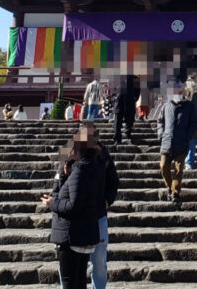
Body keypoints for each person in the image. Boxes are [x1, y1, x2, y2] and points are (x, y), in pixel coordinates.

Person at [42, 135, 102, 289]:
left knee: (70, 282)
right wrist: (65, 173)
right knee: (79, 281)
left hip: (72, 235)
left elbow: (73, 205)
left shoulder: (80, 171)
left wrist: (51, 202)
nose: (68, 152)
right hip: (81, 234)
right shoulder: (89, 167)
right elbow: (70, 192)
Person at [78, 121, 118, 289]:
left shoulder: (103, 154)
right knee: (75, 263)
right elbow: (60, 179)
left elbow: (113, 180)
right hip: (77, 216)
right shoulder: (71, 151)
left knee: (99, 262)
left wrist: (108, 200)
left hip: (98, 215)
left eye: (94, 135)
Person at [155, 83, 197, 205]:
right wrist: (161, 134)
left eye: (181, 92)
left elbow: (194, 122)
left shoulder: (189, 106)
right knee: (163, 167)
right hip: (167, 142)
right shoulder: (166, 106)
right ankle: (170, 188)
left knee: (178, 169)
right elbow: (160, 121)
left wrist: (187, 136)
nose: (180, 94)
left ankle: (175, 193)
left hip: (181, 142)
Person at [112, 75, 137, 145]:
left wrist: (135, 97)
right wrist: (114, 97)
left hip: (128, 100)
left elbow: (137, 89)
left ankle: (126, 135)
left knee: (128, 119)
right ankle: (118, 138)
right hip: (121, 100)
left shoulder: (134, 79)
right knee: (118, 120)